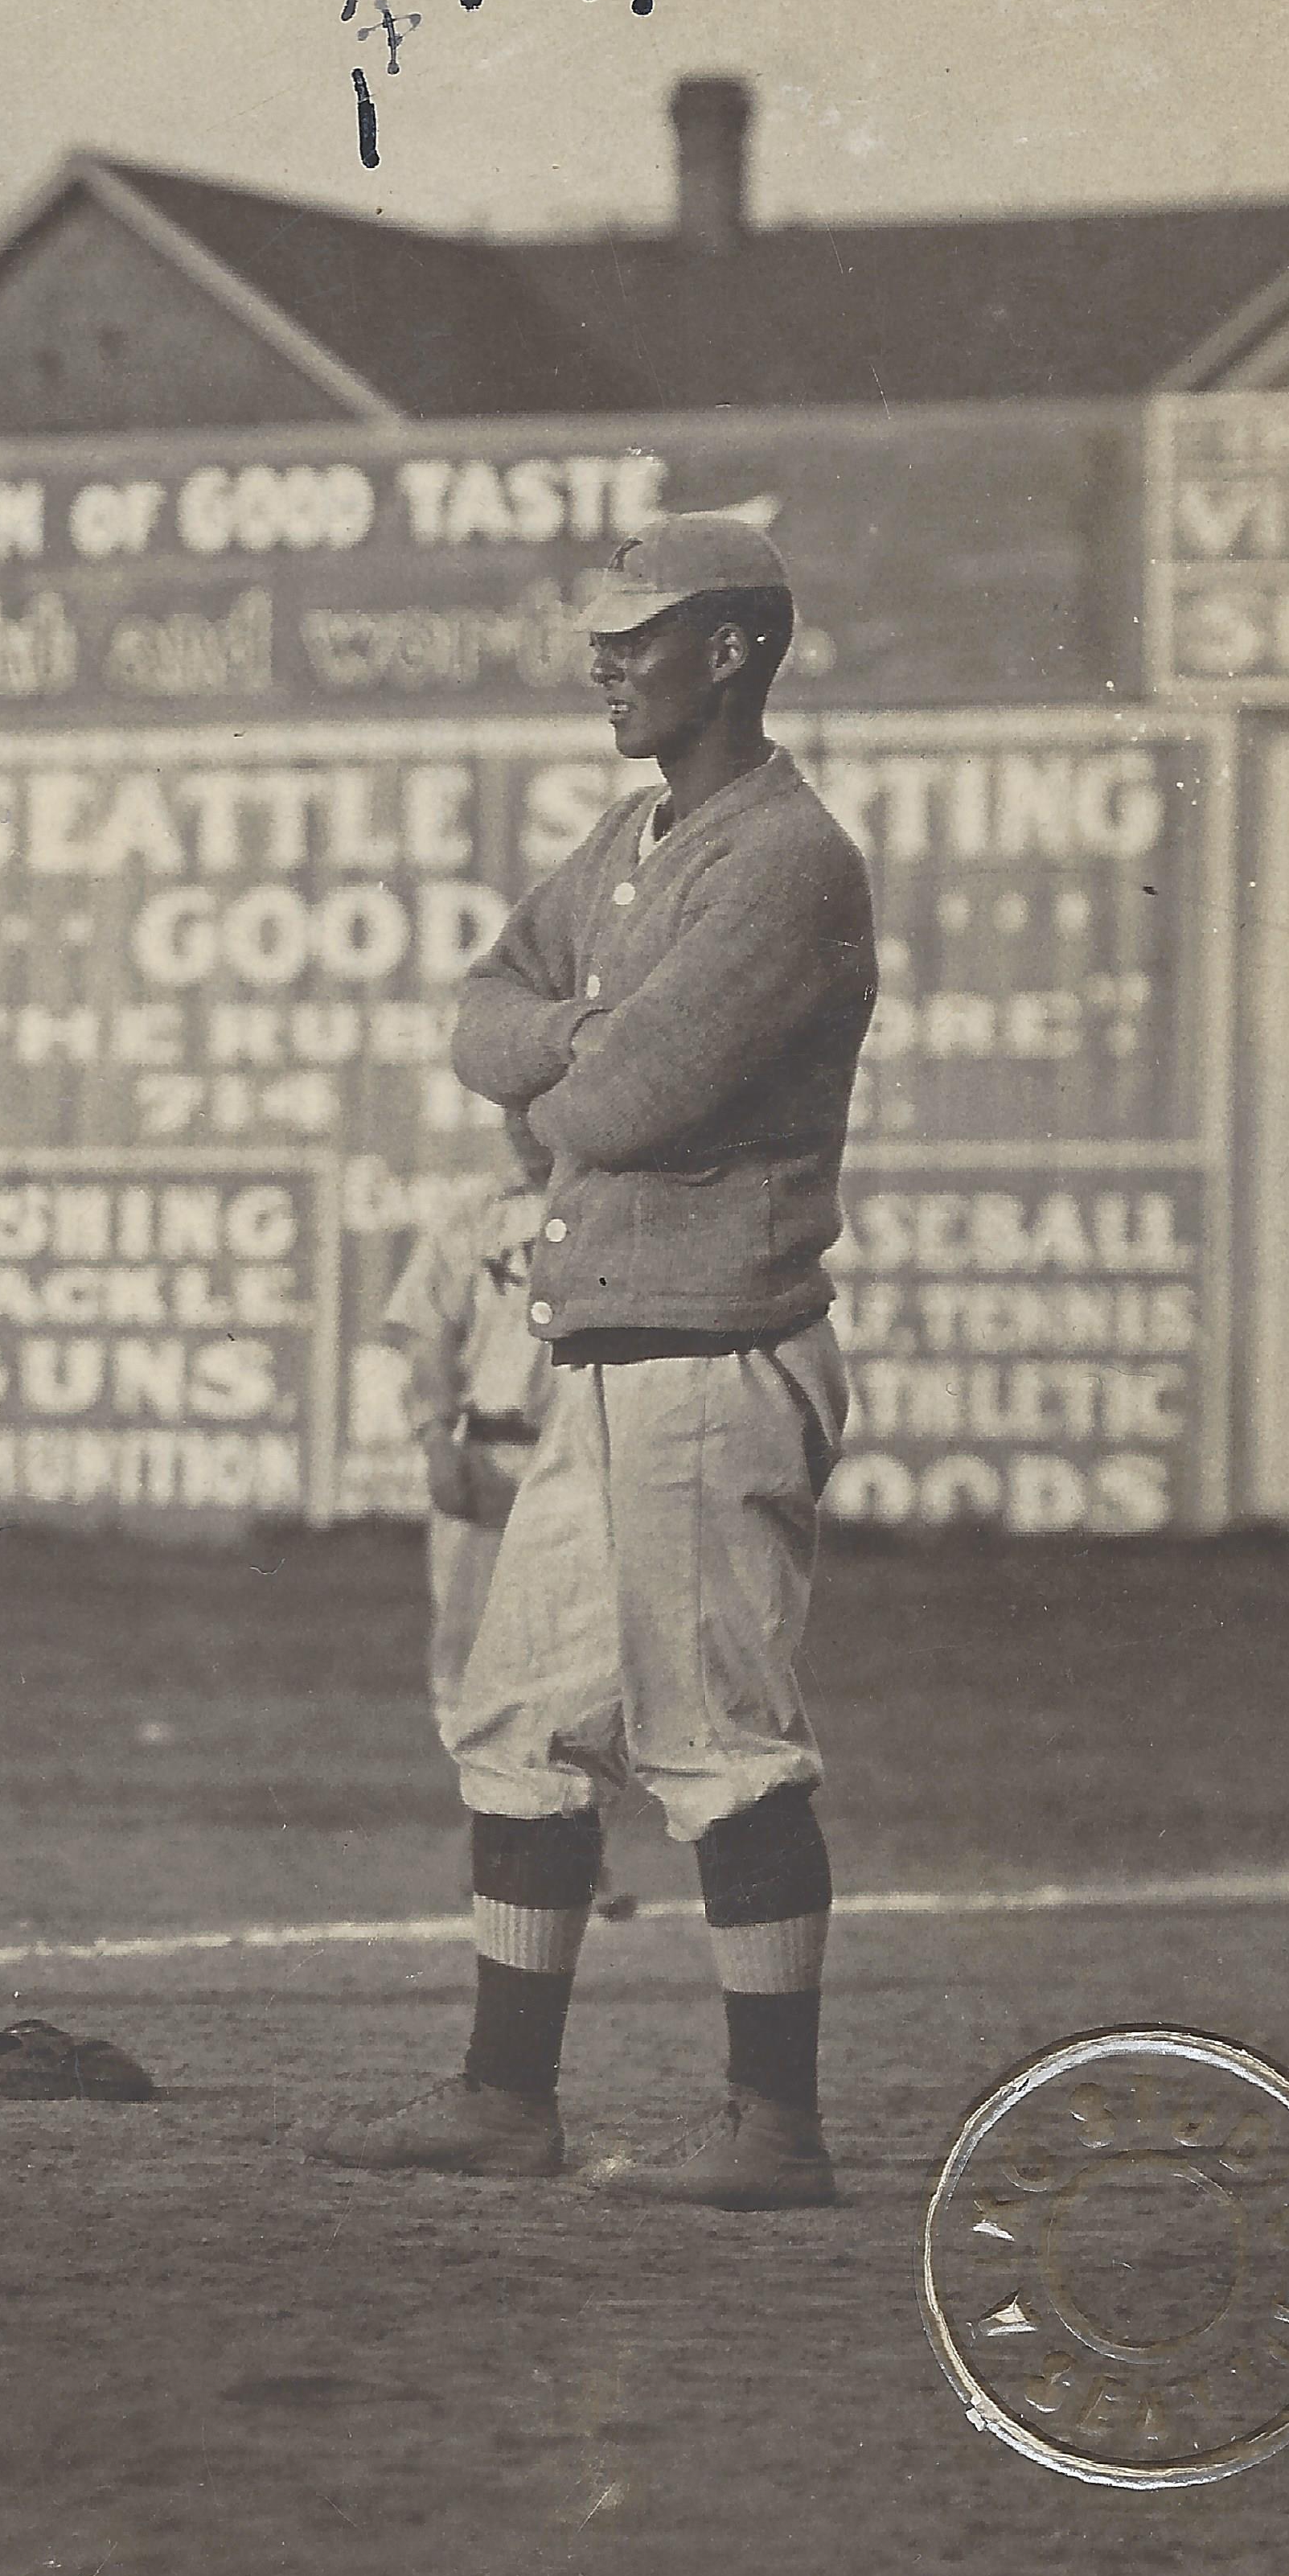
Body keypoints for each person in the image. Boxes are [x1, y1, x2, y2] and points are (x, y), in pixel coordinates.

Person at [311, 516, 872, 2208]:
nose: (602, 661)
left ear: (731, 648)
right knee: (520, 1723)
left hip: (713, 1359)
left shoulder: (783, 856)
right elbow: (482, 1011)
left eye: (637, 634)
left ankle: (772, 2126)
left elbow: (620, 1105)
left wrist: (568, 1058)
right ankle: (505, 2100)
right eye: (600, 635)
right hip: (611, 1361)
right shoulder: (634, 836)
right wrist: (577, 1032)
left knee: (718, 1743)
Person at [382, 1128, 561, 1724]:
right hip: (491, 1449)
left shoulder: (619, 1206)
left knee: (582, 1673)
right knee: (469, 1674)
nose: (526, 1124)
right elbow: (428, 1337)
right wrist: (436, 1439)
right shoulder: (477, 1215)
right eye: (514, 1109)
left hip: (588, 1457)